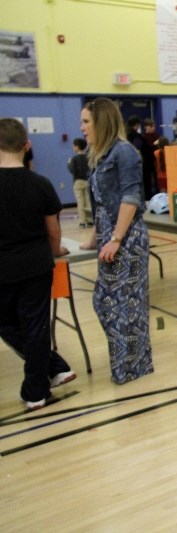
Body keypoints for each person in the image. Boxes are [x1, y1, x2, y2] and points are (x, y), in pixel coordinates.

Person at [0, 117, 75, 411]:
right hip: (37, 265)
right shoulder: (40, 184)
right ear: (27, 146)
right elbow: (53, 229)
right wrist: (56, 250)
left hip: (3, 268)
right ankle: (52, 370)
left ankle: (38, 387)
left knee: (8, 325)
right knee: (34, 325)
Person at [81, 98, 153, 384]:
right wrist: (93, 239)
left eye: (87, 122)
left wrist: (115, 239)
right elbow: (100, 205)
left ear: (101, 121)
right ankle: (131, 364)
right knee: (107, 303)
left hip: (126, 239)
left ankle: (132, 368)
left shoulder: (125, 152)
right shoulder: (101, 155)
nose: (83, 128)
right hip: (110, 236)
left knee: (125, 307)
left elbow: (131, 197)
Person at [126, 116, 156, 200]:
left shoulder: (125, 134)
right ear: (137, 125)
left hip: (129, 164)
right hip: (144, 162)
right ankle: (147, 198)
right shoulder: (136, 136)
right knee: (146, 182)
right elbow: (137, 147)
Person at [67, 137, 93, 228]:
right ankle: (90, 220)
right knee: (88, 201)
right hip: (87, 181)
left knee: (80, 202)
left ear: (77, 147)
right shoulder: (88, 157)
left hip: (77, 182)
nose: (73, 148)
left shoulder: (73, 159)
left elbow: (72, 170)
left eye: (74, 146)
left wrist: (68, 164)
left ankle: (82, 221)